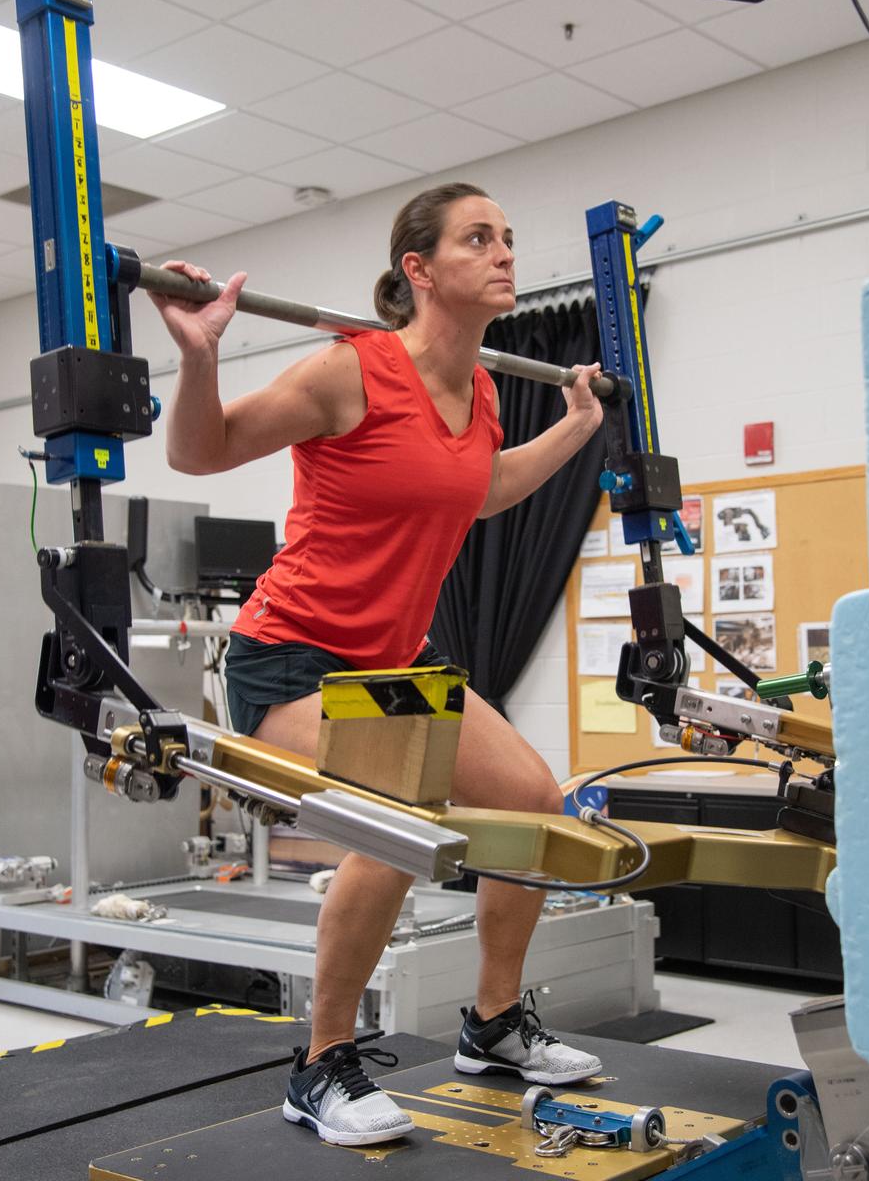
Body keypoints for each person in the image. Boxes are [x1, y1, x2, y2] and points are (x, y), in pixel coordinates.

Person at [150, 182, 605, 1150]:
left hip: (397, 660)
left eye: (510, 236)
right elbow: (200, 451)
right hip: (294, 658)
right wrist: (200, 355)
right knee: (402, 811)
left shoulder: (480, 387)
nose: (505, 253)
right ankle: (320, 1065)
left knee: (536, 803)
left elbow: (479, 494)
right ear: (419, 268)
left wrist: (573, 426)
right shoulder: (348, 371)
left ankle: (490, 1025)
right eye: (478, 238)